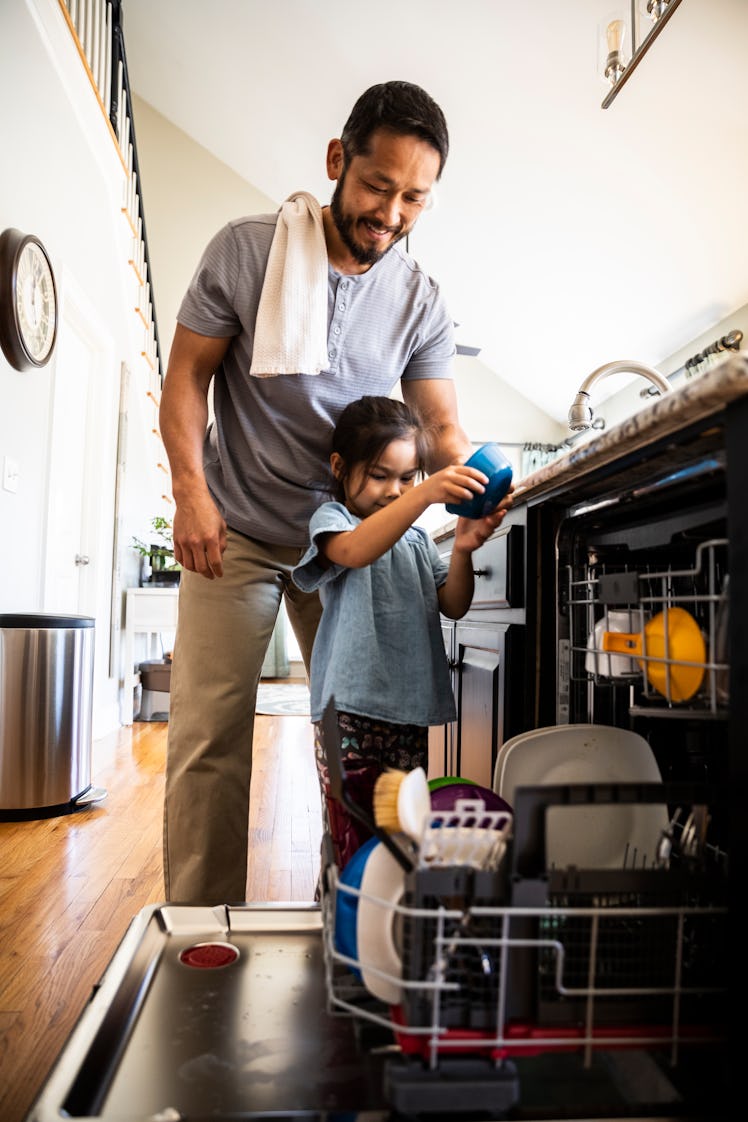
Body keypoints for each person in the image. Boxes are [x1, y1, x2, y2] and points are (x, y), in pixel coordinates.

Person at [159, 79, 511, 905]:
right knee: (210, 738)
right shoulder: (247, 252)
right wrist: (190, 493)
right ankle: (201, 928)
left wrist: (472, 487)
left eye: (414, 198)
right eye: (376, 186)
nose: (390, 212)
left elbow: (440, 426)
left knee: (354, 733)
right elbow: (185, 380)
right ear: (336, 162)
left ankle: (350, 906)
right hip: (236, 527)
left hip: (350, 544)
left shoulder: (420, 300)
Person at [291, 395, 510, 865]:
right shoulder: (335, 521)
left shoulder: (416, 539)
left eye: (408, 477)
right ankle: (339, 918)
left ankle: (384, 924)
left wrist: (464, 551)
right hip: (348, 711)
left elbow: (453, 604)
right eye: (379, 475)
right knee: (351, 833)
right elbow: (354, 552)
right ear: (339, 467)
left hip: (407, 715)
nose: (395, 490)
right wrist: (422, 496)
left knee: (400, 835)